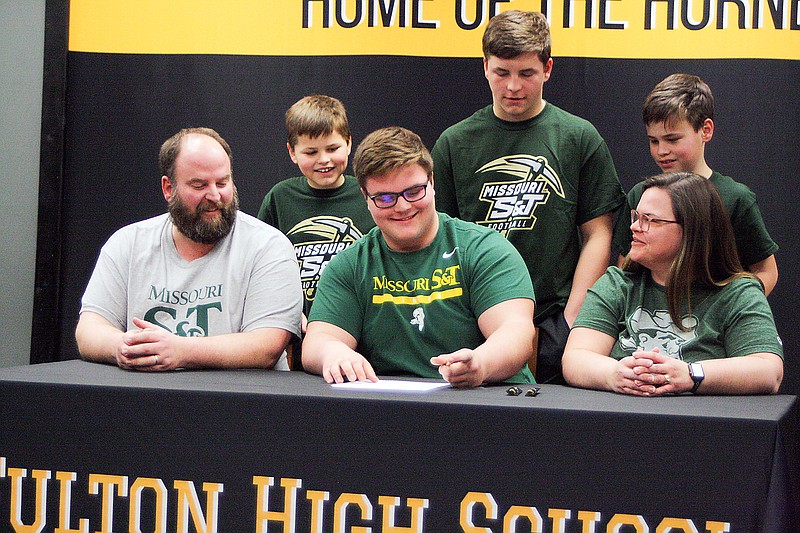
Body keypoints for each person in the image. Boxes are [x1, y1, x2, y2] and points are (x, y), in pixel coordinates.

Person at [431, 10, 625, 384]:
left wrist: (572, 319)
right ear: (485, 67)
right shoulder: (455, 142)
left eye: (526, 73)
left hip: (555, 317)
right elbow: (442, 239)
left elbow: (599, 234)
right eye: (502, 73)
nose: (513, 87)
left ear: (548, 68)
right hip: (476, 318)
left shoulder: (578, 137)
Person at [303, 126, 536, 388]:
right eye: (385, 198)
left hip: (486, 400)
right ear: (365, 198)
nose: (402, 207)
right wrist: (334, 353)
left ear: (432, 182)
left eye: (414, 192)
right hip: (389, 407)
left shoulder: (484, 249)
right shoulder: (351, 265)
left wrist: (480, 363)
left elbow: (516, 332)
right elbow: (317, 341)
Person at [76, 127, 303, 371]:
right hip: (145, 399)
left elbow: (266, 346)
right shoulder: (128, 243)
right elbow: (89, 329)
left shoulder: (268, 246)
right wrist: (120, 346)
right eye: (199, 185)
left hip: (240, 401)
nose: (214, 195)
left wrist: (180, 351)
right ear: (168, 188)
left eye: (223, 182)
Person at [563, 173, 783, 396]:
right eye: (636, 217)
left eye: (651, 220)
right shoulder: (617, 284)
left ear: (693, 230)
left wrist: (691, 374)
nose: (635, 227)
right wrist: (615, 374)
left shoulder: (738, 293)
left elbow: (768, 370)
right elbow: (575, 358)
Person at [612, 73, 778, 295]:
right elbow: (626, 269)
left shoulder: (735, 198)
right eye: (653, 141)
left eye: (672, 139)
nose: (661, 151)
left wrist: (736, 310)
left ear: (705, 130)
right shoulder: (640, 196)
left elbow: (766, 271)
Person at [257, 95, 375, 368]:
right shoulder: (280, 198)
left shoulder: (370, 194)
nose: (324, 160)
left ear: (348, 143)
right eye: (311, 152)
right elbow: (263, 269)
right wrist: (288, 313)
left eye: (332, 148)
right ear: (292, 152)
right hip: (300, 341)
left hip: (361, 333)